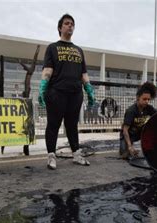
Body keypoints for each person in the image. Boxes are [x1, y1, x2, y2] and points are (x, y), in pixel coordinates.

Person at [39, 14, 95, 170]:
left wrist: (89, 89)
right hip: (57, 92)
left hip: (75, 93)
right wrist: (42, 87)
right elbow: (48, 70)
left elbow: (83, 73)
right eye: (66, 23)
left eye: (72, 24)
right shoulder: (52, 47)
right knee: (54, 124)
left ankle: (76, 154)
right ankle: (51, 156)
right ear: (60, 27)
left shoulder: (78, 50)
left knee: (71, 124)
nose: (70, 26)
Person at [120, 82, 157, 159]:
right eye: (144, 99)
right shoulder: (131, 111)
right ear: (138, 97)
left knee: (152, 125)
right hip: (128, 134)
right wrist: (130, 146)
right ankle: (128, 147)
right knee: (125, 155)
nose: (147, 101)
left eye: (148, 99)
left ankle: (148, 147)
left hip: (140, 132)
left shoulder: (149, 108)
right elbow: (125, 130)